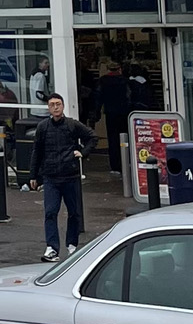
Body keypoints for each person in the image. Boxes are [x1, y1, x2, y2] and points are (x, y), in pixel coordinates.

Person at [30, 93, 96, 262]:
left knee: (74, 213)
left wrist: (83, 153)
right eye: (52, 104)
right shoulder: (43, 127)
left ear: (63, 106)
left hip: (70, 176)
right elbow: (37, 152)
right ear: (48, 108)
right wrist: (33, 176)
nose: (56, 107)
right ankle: (52, 248)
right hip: (51, 177)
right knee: (50, 212)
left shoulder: (72, 125)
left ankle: (72, 246)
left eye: (58, 104)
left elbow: (92, 137)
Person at [97, 61, 130, 175]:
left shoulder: (103, 81)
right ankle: (125, 162)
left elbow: (99, 97)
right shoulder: (125, 81)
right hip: (124, 113)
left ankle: (114, 165)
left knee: (112, 139)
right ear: (119, 68)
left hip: (110, 112)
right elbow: (129, 97)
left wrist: (96, 112)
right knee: (125, 137)